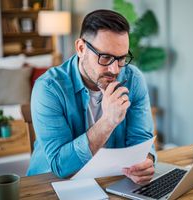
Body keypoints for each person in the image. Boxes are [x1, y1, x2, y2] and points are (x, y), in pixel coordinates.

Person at [27, 9, 156, 185]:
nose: (115, 70)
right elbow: (60, 166)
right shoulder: (48, 88)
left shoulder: (133, 79)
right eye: (105, 57)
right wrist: (108, 121)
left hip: (109, 180)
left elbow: (141, 140)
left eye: (121, 58)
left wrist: (145, 162)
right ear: (81, 48)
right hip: (49, 184)